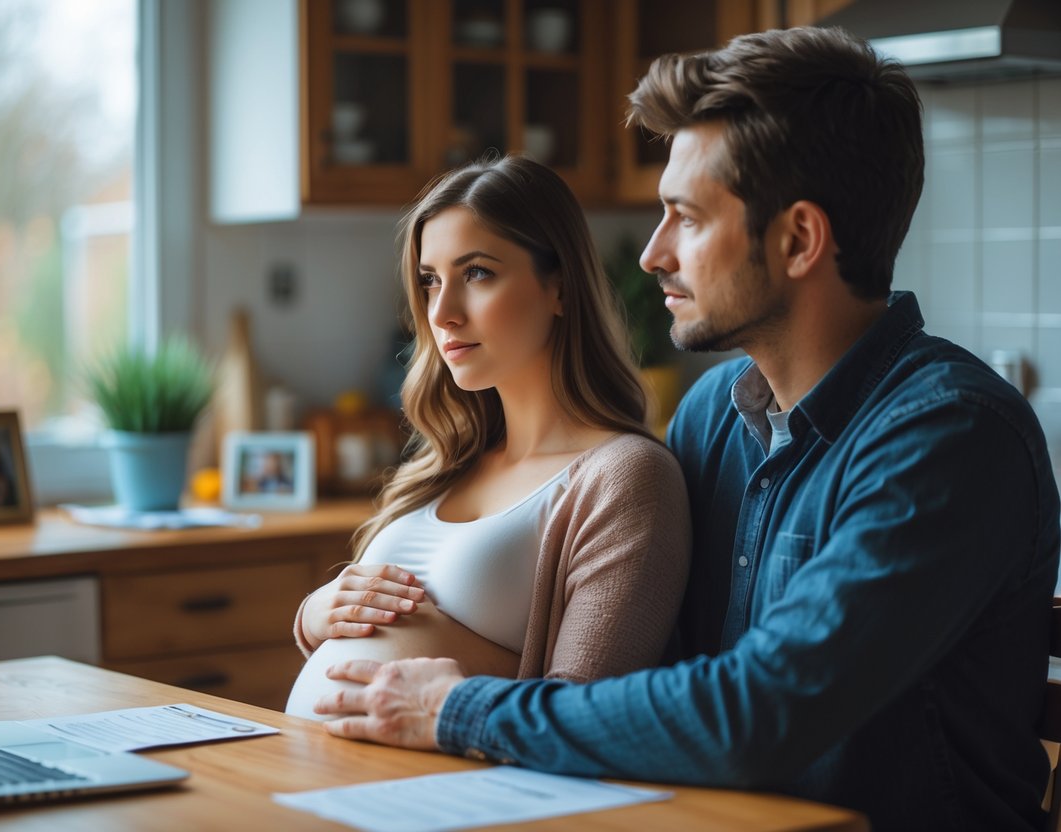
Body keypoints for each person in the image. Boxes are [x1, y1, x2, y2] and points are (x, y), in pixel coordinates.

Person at [312, 26, 1061, 830]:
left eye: (686, 218)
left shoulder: (947, 437)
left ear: (799, 239)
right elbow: (643, 666)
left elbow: (759, 711)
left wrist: (458, 708)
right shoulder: (712, 416)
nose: (651, 254)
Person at [285, 155, 692, 719]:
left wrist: (436, 652)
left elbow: (585, 714)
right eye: (430, 281)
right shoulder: (449, 461)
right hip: (314, 785)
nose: (443, 313)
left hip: (456, 801)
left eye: (477, 272)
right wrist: (314, 616)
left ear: (561, 289)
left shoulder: (625, 476)